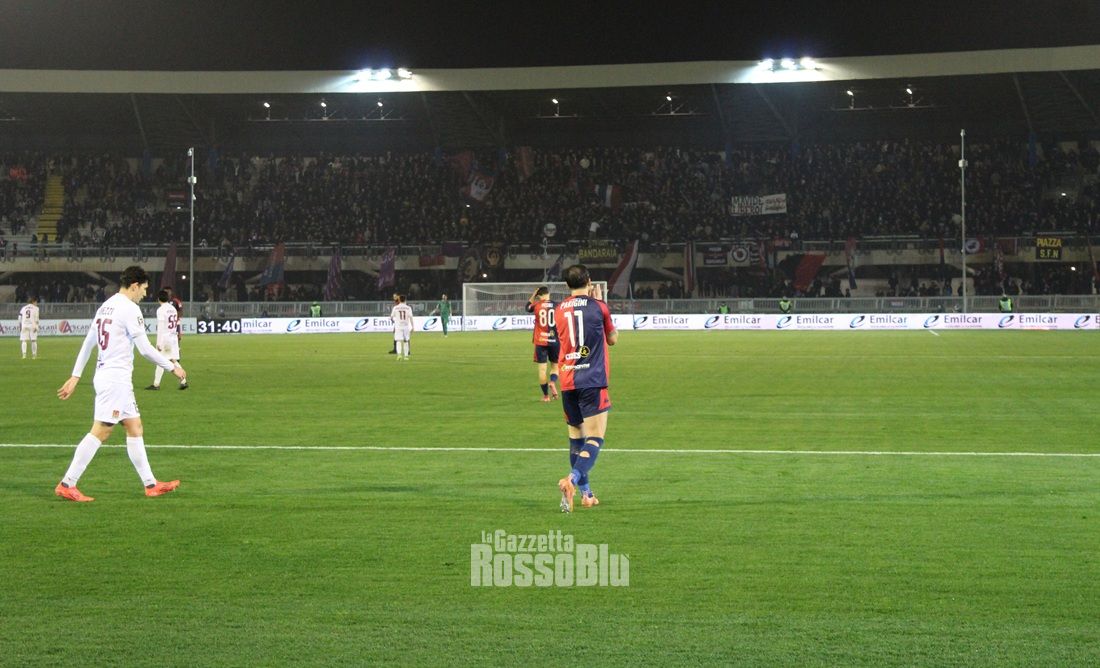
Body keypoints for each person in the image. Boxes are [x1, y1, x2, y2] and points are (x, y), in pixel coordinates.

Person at [54, 265, 187, 502]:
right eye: (144, 288)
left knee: (134, 427)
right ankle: (67, 483)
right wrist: (172, 367)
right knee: (102, 430)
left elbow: (88, 343)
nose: (145, 294)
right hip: (115, 380)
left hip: (111, 378)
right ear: (134, 286)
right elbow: (144, 349)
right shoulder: (129, 309)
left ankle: (151, 484)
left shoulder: (106, 306)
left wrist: (76, 376)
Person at [554, 264, 617, 512]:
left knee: (576, 439)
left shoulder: (558, 310)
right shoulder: (599, 307)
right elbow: (612, 339)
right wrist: (601, 304)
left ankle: (587, 495)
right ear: (589, 281)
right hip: (592, 380)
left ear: (566, 285)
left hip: (568, 380)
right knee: (595, 437)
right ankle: (572, 479)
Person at [147, 289, 188, 390]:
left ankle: (156, 385)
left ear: (158, 299)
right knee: (171, 360)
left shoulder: (161, 310)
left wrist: (159, 343)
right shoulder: (172, 308)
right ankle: (183, 381)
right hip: (173, 337)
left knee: (161, 360)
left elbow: (161, 327)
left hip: (166, 339)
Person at [526, 286, 560, 402]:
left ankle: (546, 396)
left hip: (540, 342)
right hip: (555, 340)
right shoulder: (557, 305)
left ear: (539, 296)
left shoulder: (536, 305)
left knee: (542, 370)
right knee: (555, 366)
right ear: (548, 293)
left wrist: (533, 295)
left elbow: (527, 307)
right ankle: (552, 381)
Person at [391, 294, 413, 361]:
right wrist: (413, 327)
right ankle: (406, 356)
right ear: (405, 300)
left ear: (399, 300)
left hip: (398, 326)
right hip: (406, 326)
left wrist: (394, 321)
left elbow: (391, 317)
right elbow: (411, 317)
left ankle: (399, 355)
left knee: (398, 341)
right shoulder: (408, 308)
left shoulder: (395, 307)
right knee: (406, 341)